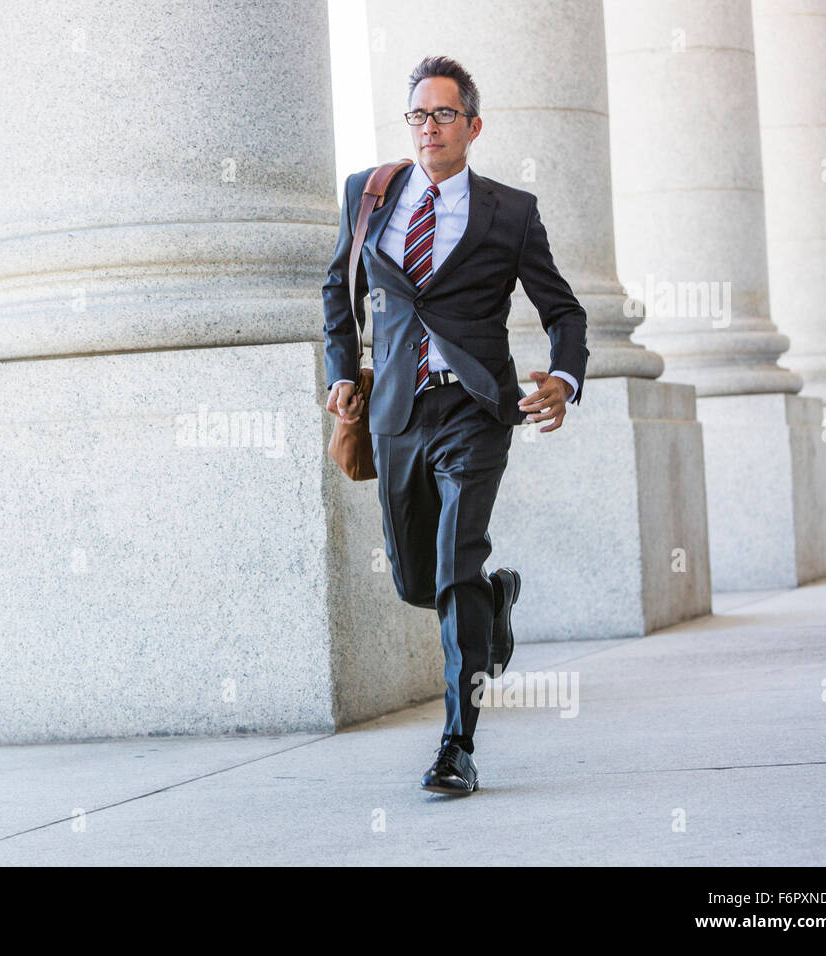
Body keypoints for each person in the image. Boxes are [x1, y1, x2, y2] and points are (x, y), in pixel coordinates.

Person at [321, 55, 589, 796]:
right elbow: (335, 292)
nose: (427, 127)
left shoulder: (512, 211)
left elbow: (563, 311)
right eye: (417, 114)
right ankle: (494, 599)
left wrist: (564, 377)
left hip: (475, 411)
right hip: (397, 412)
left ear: (473, 124)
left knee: (452, 568)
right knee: (416, 580)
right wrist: (344, 373)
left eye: (442, 114)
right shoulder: (368, 195)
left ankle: (456, 746)